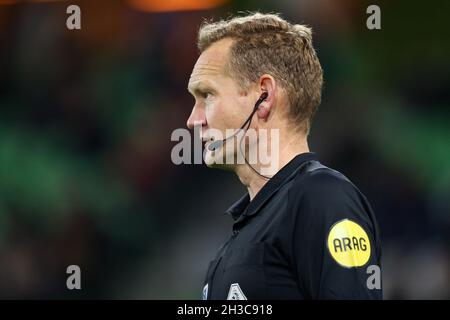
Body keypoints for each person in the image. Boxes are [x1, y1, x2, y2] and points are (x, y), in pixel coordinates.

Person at [186, 12, 382, 300]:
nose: (193, 119)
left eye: (207, 95)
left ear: (263, 96)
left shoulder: (323, 199)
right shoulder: (247, 227)